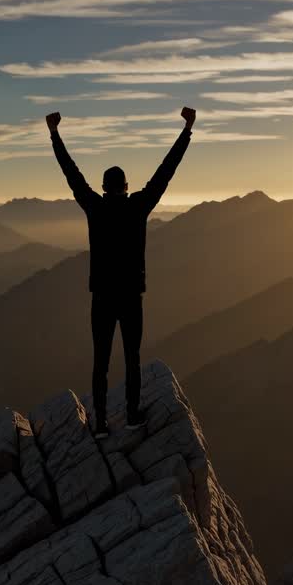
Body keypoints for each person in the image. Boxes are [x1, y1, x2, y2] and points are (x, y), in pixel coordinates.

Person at [47, 106, 196, 438]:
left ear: (103, 188)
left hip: (101, 296)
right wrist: (187, 131)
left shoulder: (95, 207)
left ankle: (99, 424)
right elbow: (165, 172)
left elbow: (70, 173)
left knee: (101, 361)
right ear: (127, 187)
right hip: (130, 296)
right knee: (132, 358)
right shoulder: (138, 206)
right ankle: (131, 416)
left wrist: (54, 135)